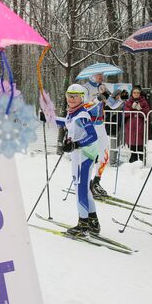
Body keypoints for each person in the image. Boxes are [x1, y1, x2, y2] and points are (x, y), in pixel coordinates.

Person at [53, 84, 100, 237]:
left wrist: (76, 144)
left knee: (80, 189)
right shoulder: (74, 113)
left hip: (83, 157)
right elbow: (67, 123)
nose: (71, 99)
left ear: (82, 98)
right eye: (68, 95)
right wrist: (51, 118)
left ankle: (83, 225)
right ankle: (93, 222)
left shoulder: (82, 115)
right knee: (84, 189)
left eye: (75, 96)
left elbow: (93, 135)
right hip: (81, 156)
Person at [82, 73, 110, 198]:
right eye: (99, 75)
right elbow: (83, 107)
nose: (101, 77)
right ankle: (86, 183)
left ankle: (96, 182)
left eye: (102, 75)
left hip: (100, 124)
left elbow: (112, 104)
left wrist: (120, 98)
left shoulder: (102, 87)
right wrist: (97, 99)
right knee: (91, 156)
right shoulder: (85, 88)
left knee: (104, 154)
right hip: (90, 125)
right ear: (91, 76)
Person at [124, 85, 151, 163]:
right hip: (130, 128)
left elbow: (147, 113)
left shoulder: (144, 101)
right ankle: (133, 162)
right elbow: (125, 113)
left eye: (137, 93)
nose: (136, 94)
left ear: (140, 93)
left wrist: (140, 110)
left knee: (140, 146)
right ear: (132, 93)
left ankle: (143, 162)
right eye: (134, 93)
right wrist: (132, 109)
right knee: (132, 147)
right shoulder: (128, 102)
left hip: (140, 127)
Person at [104, 89, 124, 166]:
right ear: (116, 95)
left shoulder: (117, 102)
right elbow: (110, 109)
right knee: (113, 144)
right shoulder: (110, 102)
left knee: (117, 144)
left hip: (117, 125)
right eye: (119, 95)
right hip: (112, 125)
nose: (120, 97)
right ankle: (112, 161)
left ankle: (115, 159)